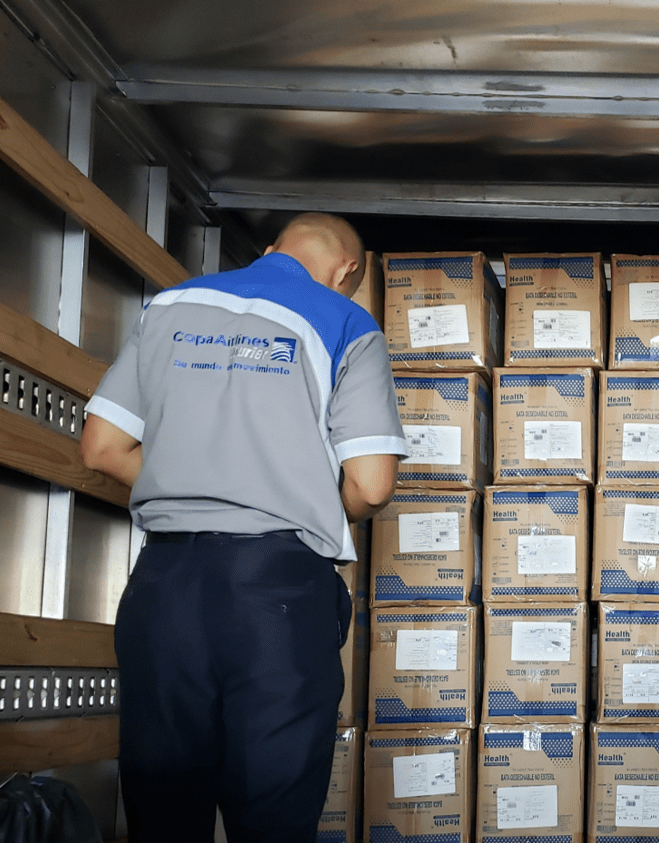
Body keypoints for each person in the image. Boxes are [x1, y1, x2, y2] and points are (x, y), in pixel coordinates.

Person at [80, 213, 408, 841]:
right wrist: (292, 497)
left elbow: (102, 448)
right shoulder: (344, 321)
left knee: (162, 804)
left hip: (163, 587)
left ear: (268, 251)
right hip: (276, 593)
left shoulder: (169, 306)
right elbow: (371, 484)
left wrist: (193, 482)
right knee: (273, 807)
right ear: (346, 272)